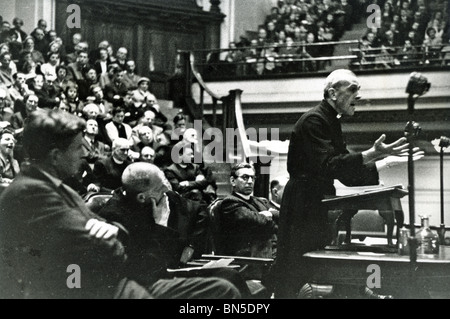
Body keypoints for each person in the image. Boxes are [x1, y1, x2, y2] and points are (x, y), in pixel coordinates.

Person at [273, 69, 424, 299]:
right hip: (303, 202)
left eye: (359, 90)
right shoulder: (315, 120)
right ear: (333, 93)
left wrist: (386, 162)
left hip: (314, 198)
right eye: (352, 89)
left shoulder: (330, 121)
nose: (358, 95)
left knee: (310, 263)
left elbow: (347, 174)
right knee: (297, 264)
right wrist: (371, 153)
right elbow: (330, 166)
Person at [0, 109, 152, 299]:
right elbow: (105, 250)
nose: (84, 154)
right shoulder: (31, 193)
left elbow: (115, 234)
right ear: (55, 156)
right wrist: (115, 238)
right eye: (78, 147)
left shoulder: (59, 187)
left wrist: (115, 232)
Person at [217, 163, 277, 259]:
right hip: (249, 257)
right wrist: (269, 218)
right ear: (233, 181)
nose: (250, 181)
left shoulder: (261, 201)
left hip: (268, 251)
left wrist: (269, 214)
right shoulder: (230, 203)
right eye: (245, 177)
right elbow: (258, 221)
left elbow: (280, 217)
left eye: (252, 178)